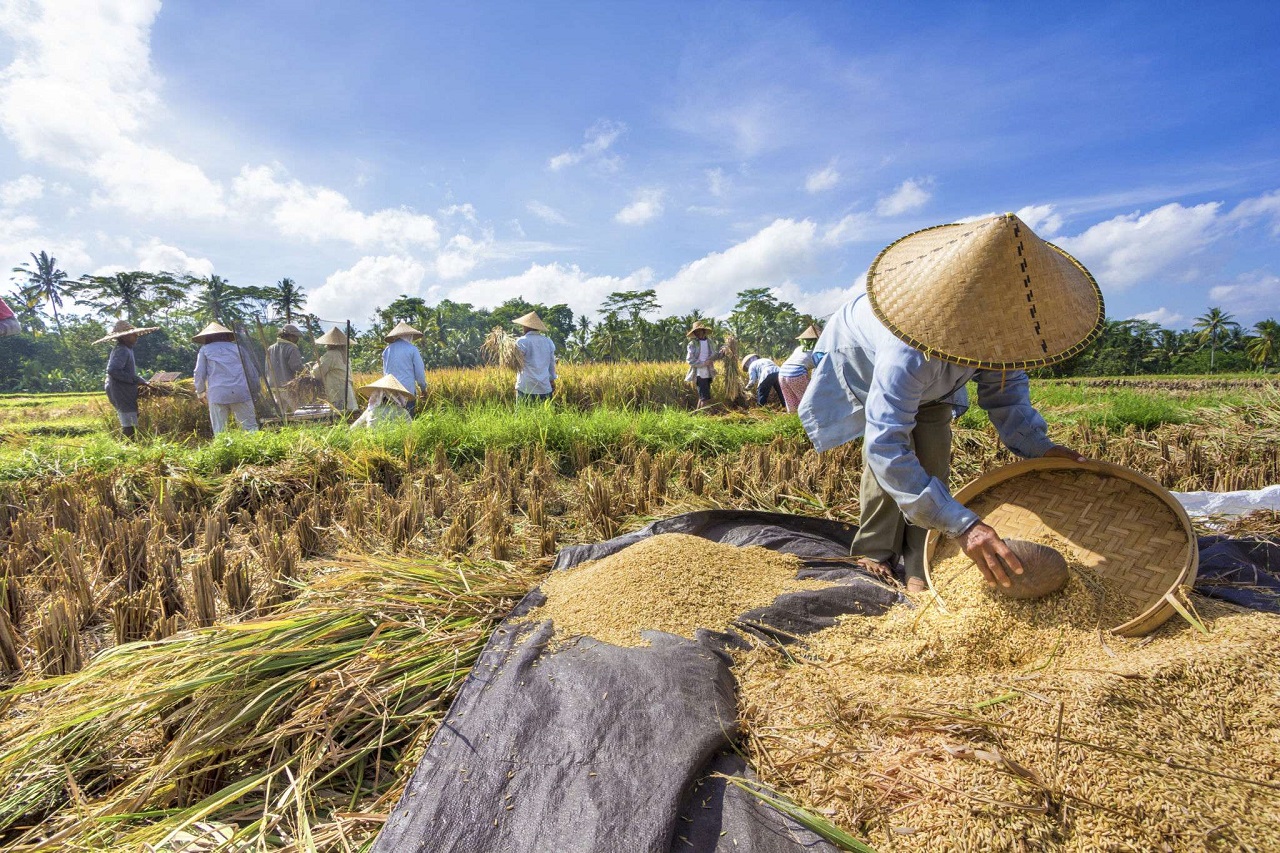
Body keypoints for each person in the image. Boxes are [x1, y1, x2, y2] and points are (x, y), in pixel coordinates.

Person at [799, 213, 1101, 593]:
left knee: (935, 455)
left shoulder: (1000, 339)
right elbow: (886, 443)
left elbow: (1007, 397)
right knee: (890, 461)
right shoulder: (907, 351)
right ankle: (874, 552)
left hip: (936, 387)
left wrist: (1042, 449)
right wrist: (966, 525)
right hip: (862, 359)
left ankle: (918, 562)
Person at [95, 319, 159, 439]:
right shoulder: (122, 350)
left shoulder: (127, 349)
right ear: (124, 337)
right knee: (129, 426)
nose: (136, 337)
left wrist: (138, 380)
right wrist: (136, 380)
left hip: (125, 390)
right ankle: (126, 450)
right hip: (121, 391)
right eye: (133, 335)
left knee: (131, 422)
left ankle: (127, 448)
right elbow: (113, 370)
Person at [193, 322, 259, 435]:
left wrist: (200, 392)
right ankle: (256, 450)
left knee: (220, 431)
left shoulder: (205, 350)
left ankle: (223, 451)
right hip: (240, 391)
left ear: (207, 337)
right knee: (250, 428)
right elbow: (251, 372)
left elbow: (199, 373)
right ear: (226, 336)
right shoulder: (238, 348)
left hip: (217, 393)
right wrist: (255, 389)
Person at [382, 321, 427, 415]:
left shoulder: (387, 350)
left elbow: (385, 371)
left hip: (389, 389)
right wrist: (423, 388)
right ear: (408, 336)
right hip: (407, 390)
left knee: (390, 419)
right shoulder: (412, 349)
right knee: (407, 419)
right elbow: (419, 372)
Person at [311, 326, 358, 412]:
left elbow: (317, 373)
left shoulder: (331, 355)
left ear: (329, 344)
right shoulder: (345, 355)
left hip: (336, 391)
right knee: (348, 414)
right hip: (347, 390)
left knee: (338, 415)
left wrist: (312, 368)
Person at [513, 311, 557, 403]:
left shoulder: (521, 342)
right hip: (544, 387)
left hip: (526, 387)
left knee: (522, 416)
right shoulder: (548, 342)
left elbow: (515, 363)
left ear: (526, 327)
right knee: (545, 415)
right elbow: (552, 364)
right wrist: (552, 380)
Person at [778, 325, 820, 414]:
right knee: (808, 400)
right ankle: (811, 420)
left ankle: (794, 419)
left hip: (782, 372)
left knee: (791, 401)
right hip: (796, 373)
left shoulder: (799, 348)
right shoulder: (817, 350)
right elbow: (820, 368)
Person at [265, 323, 304, 413]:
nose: (297, 339)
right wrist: (306, 372)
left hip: (274, 386)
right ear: (290, 336)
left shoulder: (271, 348)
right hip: (289, 386)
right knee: (299, 411)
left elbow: (267, 368)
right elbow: (296, 367)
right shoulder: (292, 348)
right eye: (295, 337)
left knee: (281, 413)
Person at [684, 321, 717, 410]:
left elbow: (714, 355)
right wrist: (703, 363)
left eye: (699, 331)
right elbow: (690, 359)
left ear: (703, 331)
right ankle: (704, 416)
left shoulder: (710, 342)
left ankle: (698, 415)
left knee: (703, 396)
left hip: (709, 371)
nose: (698, 333)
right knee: (705, 397)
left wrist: (723, 352)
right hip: (699, 372)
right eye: (696, 332)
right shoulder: (692, 344)